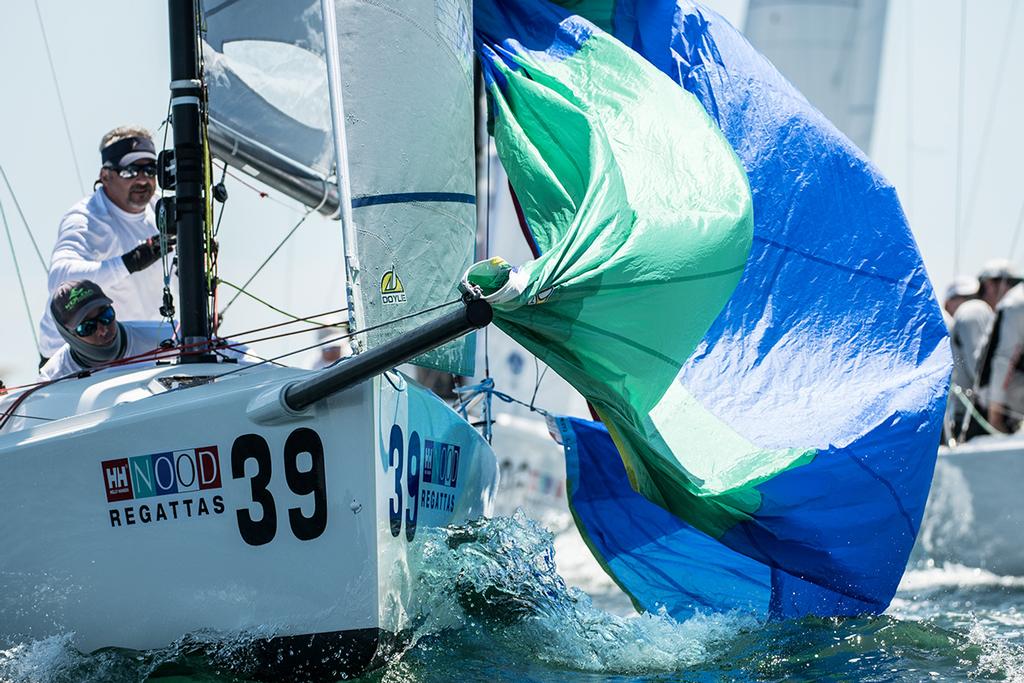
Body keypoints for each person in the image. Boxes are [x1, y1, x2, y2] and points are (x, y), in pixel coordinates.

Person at [37, 126, 175, 366]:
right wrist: (131, 262)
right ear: (106, 175)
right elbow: (59, 279)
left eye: (150, 169)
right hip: (75, 353)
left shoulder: (161, 211)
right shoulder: (85, 218)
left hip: (131, 346)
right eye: (130, 170)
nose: (142, 179)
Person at [39, 280, 176, 381]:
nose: (103, 330)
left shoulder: (170, 336)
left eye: (106, 316)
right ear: (69, 336)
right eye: (87, 327)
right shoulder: (52, 378)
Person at [963, 259, 1024, 436]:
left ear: (990, 285)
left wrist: (995, 417)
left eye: (981, 290)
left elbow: (1004, 359)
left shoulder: (1012, 304)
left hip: (1004, 410)